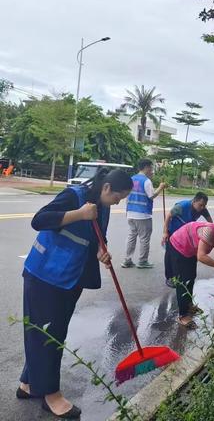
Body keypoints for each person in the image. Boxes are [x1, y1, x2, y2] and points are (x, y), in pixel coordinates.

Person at [17, 169, 133, 419]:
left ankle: (28, 383)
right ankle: (50, 395)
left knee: (51, 331)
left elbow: (96, 238)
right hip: (45, 276)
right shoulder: (74, 196)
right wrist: (79, 214)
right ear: (106, 188)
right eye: (118, 197)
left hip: (70, 278)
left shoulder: (104, 207)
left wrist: (101, 252)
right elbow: (39, 220)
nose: (118, 202)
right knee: (47, 334)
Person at [169, 216, 214, 329]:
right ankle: (182, 315)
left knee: (191, 277)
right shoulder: (209, 231)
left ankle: (189, 305)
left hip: (191, 249)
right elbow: (201, 257)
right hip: (179, 245)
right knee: (184, 281)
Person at [122, 159, 167, 269]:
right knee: (144, 238)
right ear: (146, 167)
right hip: (142, 214)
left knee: (131, 237)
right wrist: (161, 187)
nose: (151, 170)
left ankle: (127, 260)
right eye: (151, 167)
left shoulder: (131, 179)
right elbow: (151, 196)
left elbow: (126, 196)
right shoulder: (146, 181)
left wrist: (127, 211)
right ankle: (142, 261)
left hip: (131, 213)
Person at [162, 193, 213, 287]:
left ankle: (181, 276)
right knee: (170, 256)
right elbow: (168, 216)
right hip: (173, 232)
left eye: (204, 205)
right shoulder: (182, 206)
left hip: (184, 235)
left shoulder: (203, 210)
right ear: (194, 201)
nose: (202, 207)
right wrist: (165, 232)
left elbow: (210, 222)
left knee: (183, 256)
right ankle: (169, 277)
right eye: (200, 205)